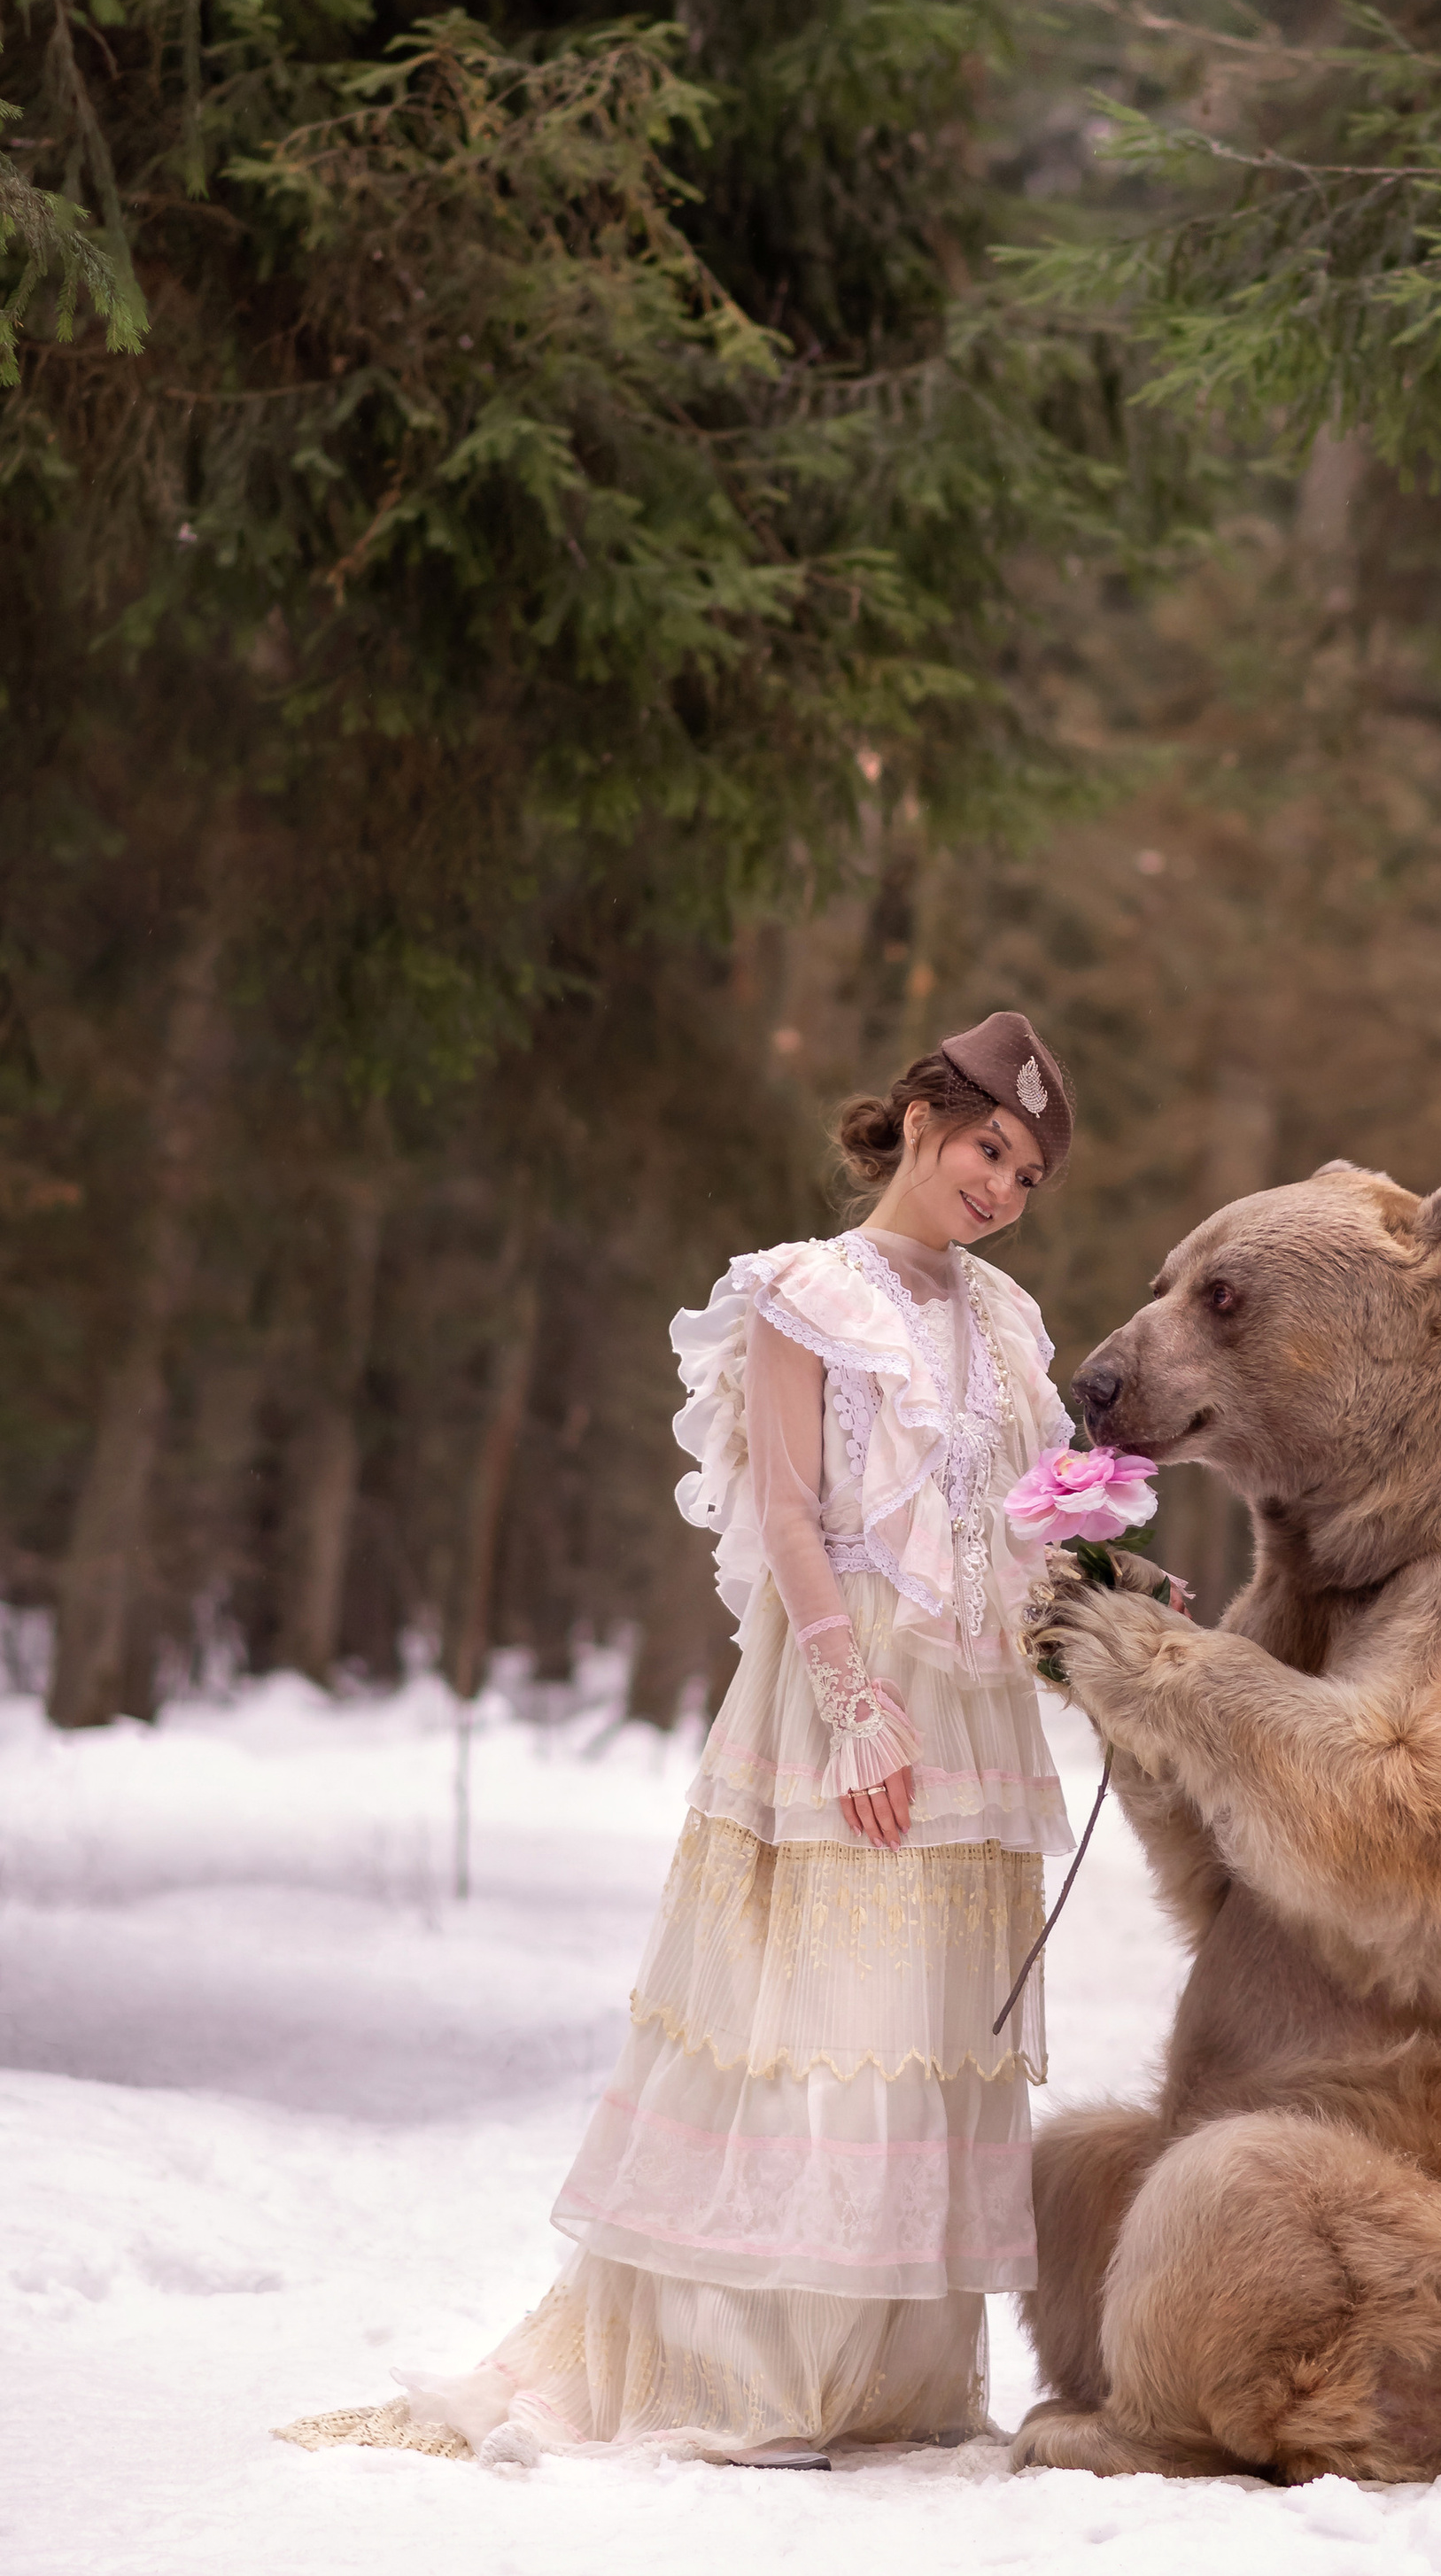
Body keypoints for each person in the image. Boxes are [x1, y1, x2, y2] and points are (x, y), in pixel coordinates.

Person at [284, 1009, 1077, 2471]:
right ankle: (748, 2371)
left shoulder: (1007, 1324)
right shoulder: (799, 1294)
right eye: (988, 1149)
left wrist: (1103, 1567)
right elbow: (786, 1510)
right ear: (918, 1122)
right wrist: (855, 1706)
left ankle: (887, 2378)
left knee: (922, 2025)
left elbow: (1012, 1518)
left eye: (1028, 1174)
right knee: (820, 2016)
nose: (1003, 1190)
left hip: (969, 1699)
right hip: (849, 1682)